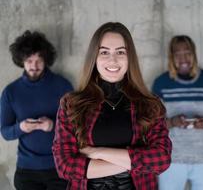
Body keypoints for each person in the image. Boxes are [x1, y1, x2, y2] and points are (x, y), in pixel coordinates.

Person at [52, 22, 172, 190]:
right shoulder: (71, 104)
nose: (113, 60)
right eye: (104, 52)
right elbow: (65, 166)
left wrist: (98, 152)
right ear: (94, 57)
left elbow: (161, 159)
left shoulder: (151, 105)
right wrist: (133, 163)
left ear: (130, 57)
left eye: (120, 52)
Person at [152, 35, 203, 190]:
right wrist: (172, 122)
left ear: (194, 54)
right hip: (171, 159)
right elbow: (152, 124)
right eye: (177, 54)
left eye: (187, 52)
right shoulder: (161, 83)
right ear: (171, 57)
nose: (183, 58)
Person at [0, 30, 73, 190]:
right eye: (29, 60)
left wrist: (53, 125)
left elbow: (77, 126)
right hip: (27, 171)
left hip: (59, 167)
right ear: (21, 60)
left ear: (46, 60)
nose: (34, 66)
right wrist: (21, 128)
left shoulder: (63, 86)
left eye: (39, 60)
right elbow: (5, 132)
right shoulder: (10, 92)